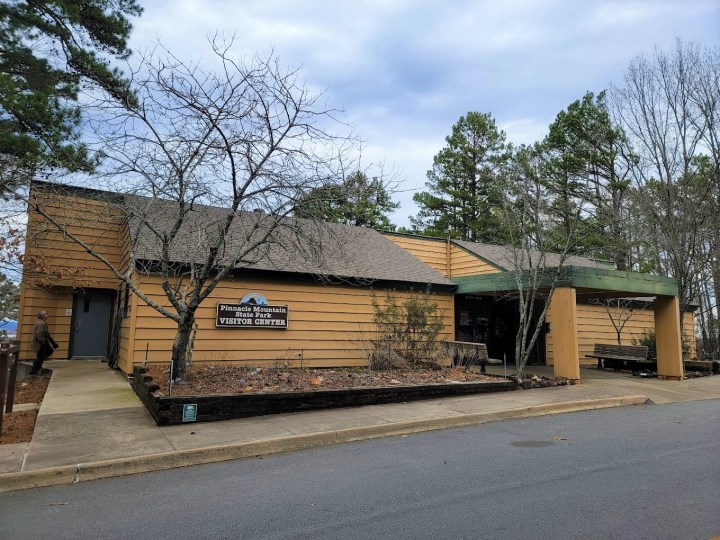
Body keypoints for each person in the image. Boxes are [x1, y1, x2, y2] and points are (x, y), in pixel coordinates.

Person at [30, 310, 58, 375]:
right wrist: (42, 342)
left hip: (44, 341)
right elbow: (38, 334)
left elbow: (47, 334)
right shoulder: (41, 323)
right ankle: (33, 372)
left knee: (49, 351)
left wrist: (53, 343)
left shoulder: (43, 322)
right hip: (41, 342)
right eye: (46, 313)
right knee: (40, 357)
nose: (47, 314)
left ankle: (37, 363)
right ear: (42, 316)